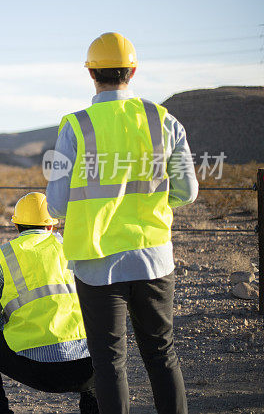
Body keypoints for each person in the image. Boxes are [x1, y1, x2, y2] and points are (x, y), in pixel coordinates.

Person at [45, 32, 199, 413]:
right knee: (162, 354)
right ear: (132, 70)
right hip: (154, 259)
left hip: (98, 264)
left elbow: (57, 203)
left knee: (109, 364)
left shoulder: (76, 127)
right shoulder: (164, 121)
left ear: (91, 74)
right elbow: (188, 191)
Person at [0, 192, 98, 414]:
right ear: (51, 226)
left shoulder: (1, 257)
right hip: (86, 368)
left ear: (16, 225)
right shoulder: (73, 248)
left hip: (35, 369)